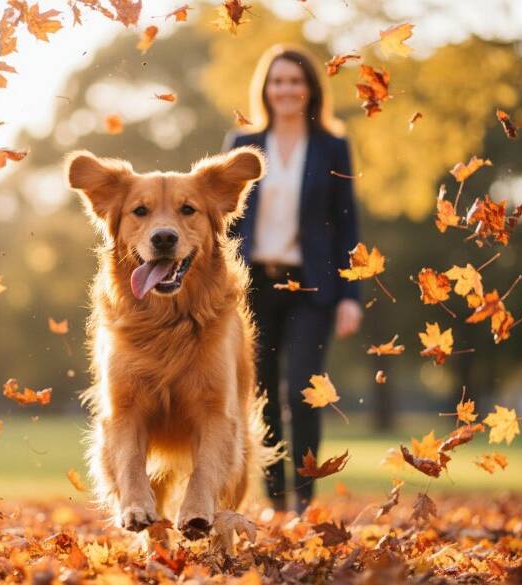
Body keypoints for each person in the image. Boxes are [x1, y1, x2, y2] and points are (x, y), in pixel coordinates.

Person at [222, 44, 363, 514]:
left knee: (303, 389)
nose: (286, 89)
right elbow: (222, 222)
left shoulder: (332, 146)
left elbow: (347, 225)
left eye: (295, 81)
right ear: (266, 88)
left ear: (310, 90)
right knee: (257, 393)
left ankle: (303, 501)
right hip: (251, 286)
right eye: (277, 81)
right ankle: (275, 502)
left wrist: (351, 295)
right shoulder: (241, 144)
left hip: (311, 288)